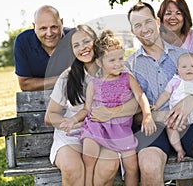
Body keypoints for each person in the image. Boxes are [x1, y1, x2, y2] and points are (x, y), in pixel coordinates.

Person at [126, 2, 193, 186]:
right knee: (149, 166)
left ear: (158, 22)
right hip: (153, 129)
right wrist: (155, 115)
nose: (144, 29)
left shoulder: (185, 56)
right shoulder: (130, 67)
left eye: (147, 21)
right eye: (137, 25)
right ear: (132, 32)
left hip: (190, 123)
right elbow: (130, 114)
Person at [64, 34, 156, 186]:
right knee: (89, 158)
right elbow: (87, 108)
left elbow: (141, 96)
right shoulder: (94, 84)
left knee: (132, 166)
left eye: (120, 58)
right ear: (99, 62)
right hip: (96, 128)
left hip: (122, 131)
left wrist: (147, 115)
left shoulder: (127, 78)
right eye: (112, 60)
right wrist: (73, 120)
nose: (118, 64)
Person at [44, 25, 132, 186]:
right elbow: (50, 116)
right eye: (76, 45)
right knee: (72, 168)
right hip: (73, 134)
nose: (82, 48)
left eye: (86, 41)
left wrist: (112, 113)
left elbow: (137, 102)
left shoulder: (116, 68)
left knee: (108, 165)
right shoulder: (68, 77)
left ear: (95, 41)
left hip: (107, 132)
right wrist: (69, 123)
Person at [14, 5, 71, 91]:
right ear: (34, 26)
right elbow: (25, 84)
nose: (49, 33)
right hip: (38, 101)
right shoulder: (23, 41)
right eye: (43, 28)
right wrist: (63, 79)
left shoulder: (75, 37)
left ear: (62, 23)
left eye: (54, 27)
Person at [157, 0, 193, 69]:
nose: (173, 17)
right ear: (161, 18)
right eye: (168, 13)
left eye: (178, 13)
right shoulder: (153, 39)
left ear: (185, 17)